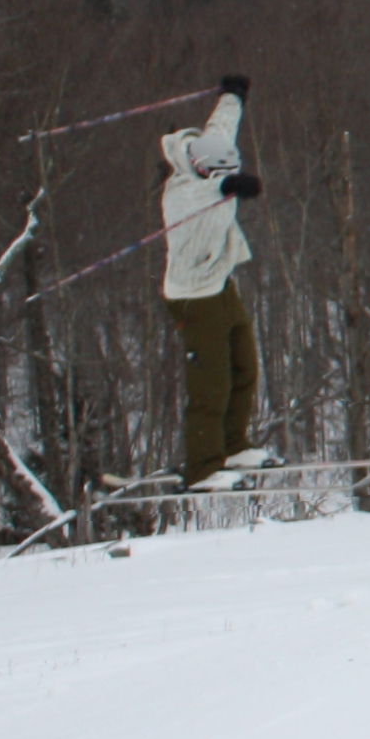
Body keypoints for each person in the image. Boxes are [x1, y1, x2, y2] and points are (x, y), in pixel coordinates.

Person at [160, 76, 270, 482]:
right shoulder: (182, 192)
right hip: (193, 297)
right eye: (218, 173)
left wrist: (233, 96)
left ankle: (234, 446)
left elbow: (224, 126)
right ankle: (204, 466)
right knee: (212, 382)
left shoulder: (212, 146)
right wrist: (231, 184)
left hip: (221, 285)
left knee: (245, 367)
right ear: (200, 168)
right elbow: (216, 189)